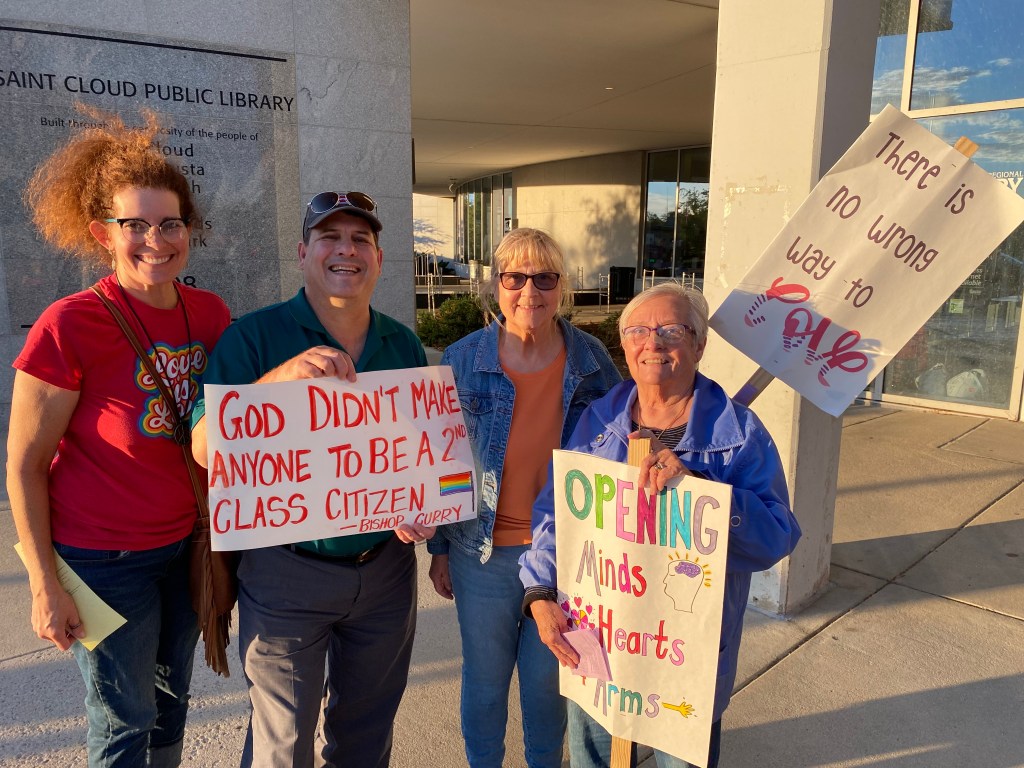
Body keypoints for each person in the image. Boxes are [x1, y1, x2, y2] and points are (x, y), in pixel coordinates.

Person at [7, 108, 231, 768]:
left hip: (186, 547)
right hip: (104, 561)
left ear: (189, 230)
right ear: (102, 233)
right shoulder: (69, 325)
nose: (155, 240)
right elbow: (23, 465)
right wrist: (45, 585)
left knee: (171, 697)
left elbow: (233, 420)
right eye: (135, 225)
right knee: (124, 715)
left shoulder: (209, 312)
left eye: (170, 224)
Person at [190, 190, 434, 768]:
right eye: (330, 237)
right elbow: (204, 449)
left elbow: (420, 454)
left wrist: (422, 505)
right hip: (285, 575)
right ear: (303, 252)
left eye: (360, 239)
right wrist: (279, 383)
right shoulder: (253, 337)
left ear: (377, 257)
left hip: (384, 574)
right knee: (282, 745)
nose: (345, 250)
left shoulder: (402, 343)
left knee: (366, 734)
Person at [519, 282, 802, 768]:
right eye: (638, 331)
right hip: (601, 643)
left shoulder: (739, 435)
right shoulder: (596, 421)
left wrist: (704, 493)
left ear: (698, 345)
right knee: (591, 756)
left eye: (672, 329)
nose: (654, 341)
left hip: (681, 658)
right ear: (624, 344)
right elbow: (555, 514)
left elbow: (776, 536)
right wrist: (539, 592)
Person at [427, 228, 621, 767]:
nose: (529, 291)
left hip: (562, 557)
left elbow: (621, 440)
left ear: (562, 286)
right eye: (515, 276)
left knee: (547, 688)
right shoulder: (463, 359)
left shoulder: (589, 359)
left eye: (544, 278)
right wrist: (440, 548)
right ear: (496, 283)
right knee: (485, 685)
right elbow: (445, 457)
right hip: (480, 554)